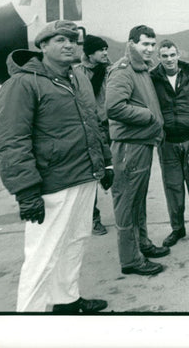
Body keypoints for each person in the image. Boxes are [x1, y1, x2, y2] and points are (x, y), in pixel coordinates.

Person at [0, 20, 112, 313]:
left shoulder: (77, 78)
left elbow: (93, 123)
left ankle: (66, 301)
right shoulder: (23, 83)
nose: (69, 44)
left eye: (73, 39)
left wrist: (106, 162)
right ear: (42, 46)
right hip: (51, 185)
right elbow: (11, 141)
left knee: (76, 242)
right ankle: (29, 321)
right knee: (42, 256)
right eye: (59, 39)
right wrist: (26, 191)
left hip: (84, 177)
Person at [106, 24, 167, 276]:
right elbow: (114, 107)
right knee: (127, 202)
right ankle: (131, 259)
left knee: (138, 199)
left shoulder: (142, 69)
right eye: (145, 44)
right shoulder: (123, 71)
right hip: (129, 146)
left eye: (153, 44)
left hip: (141, 143)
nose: (150, 49)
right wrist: (149, 116)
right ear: (132, 43)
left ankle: (142, 244)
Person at [150, 40, 189, 246]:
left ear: (179, 55)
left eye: (172, 55)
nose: (169, 59)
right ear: (159, 58)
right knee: (173, 186)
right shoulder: (152, 78)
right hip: (167, 140)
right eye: (164, 56)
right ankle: (177, 228)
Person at [73, 34, 111, 235]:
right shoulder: (77, 73)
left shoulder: (110, 71)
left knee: (118, 171)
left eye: (106, 49)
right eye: (100, 50)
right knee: (91, 176)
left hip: (111, 127)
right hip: (91, 130)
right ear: (89, 53)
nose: (105, 52)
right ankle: (93, 218)